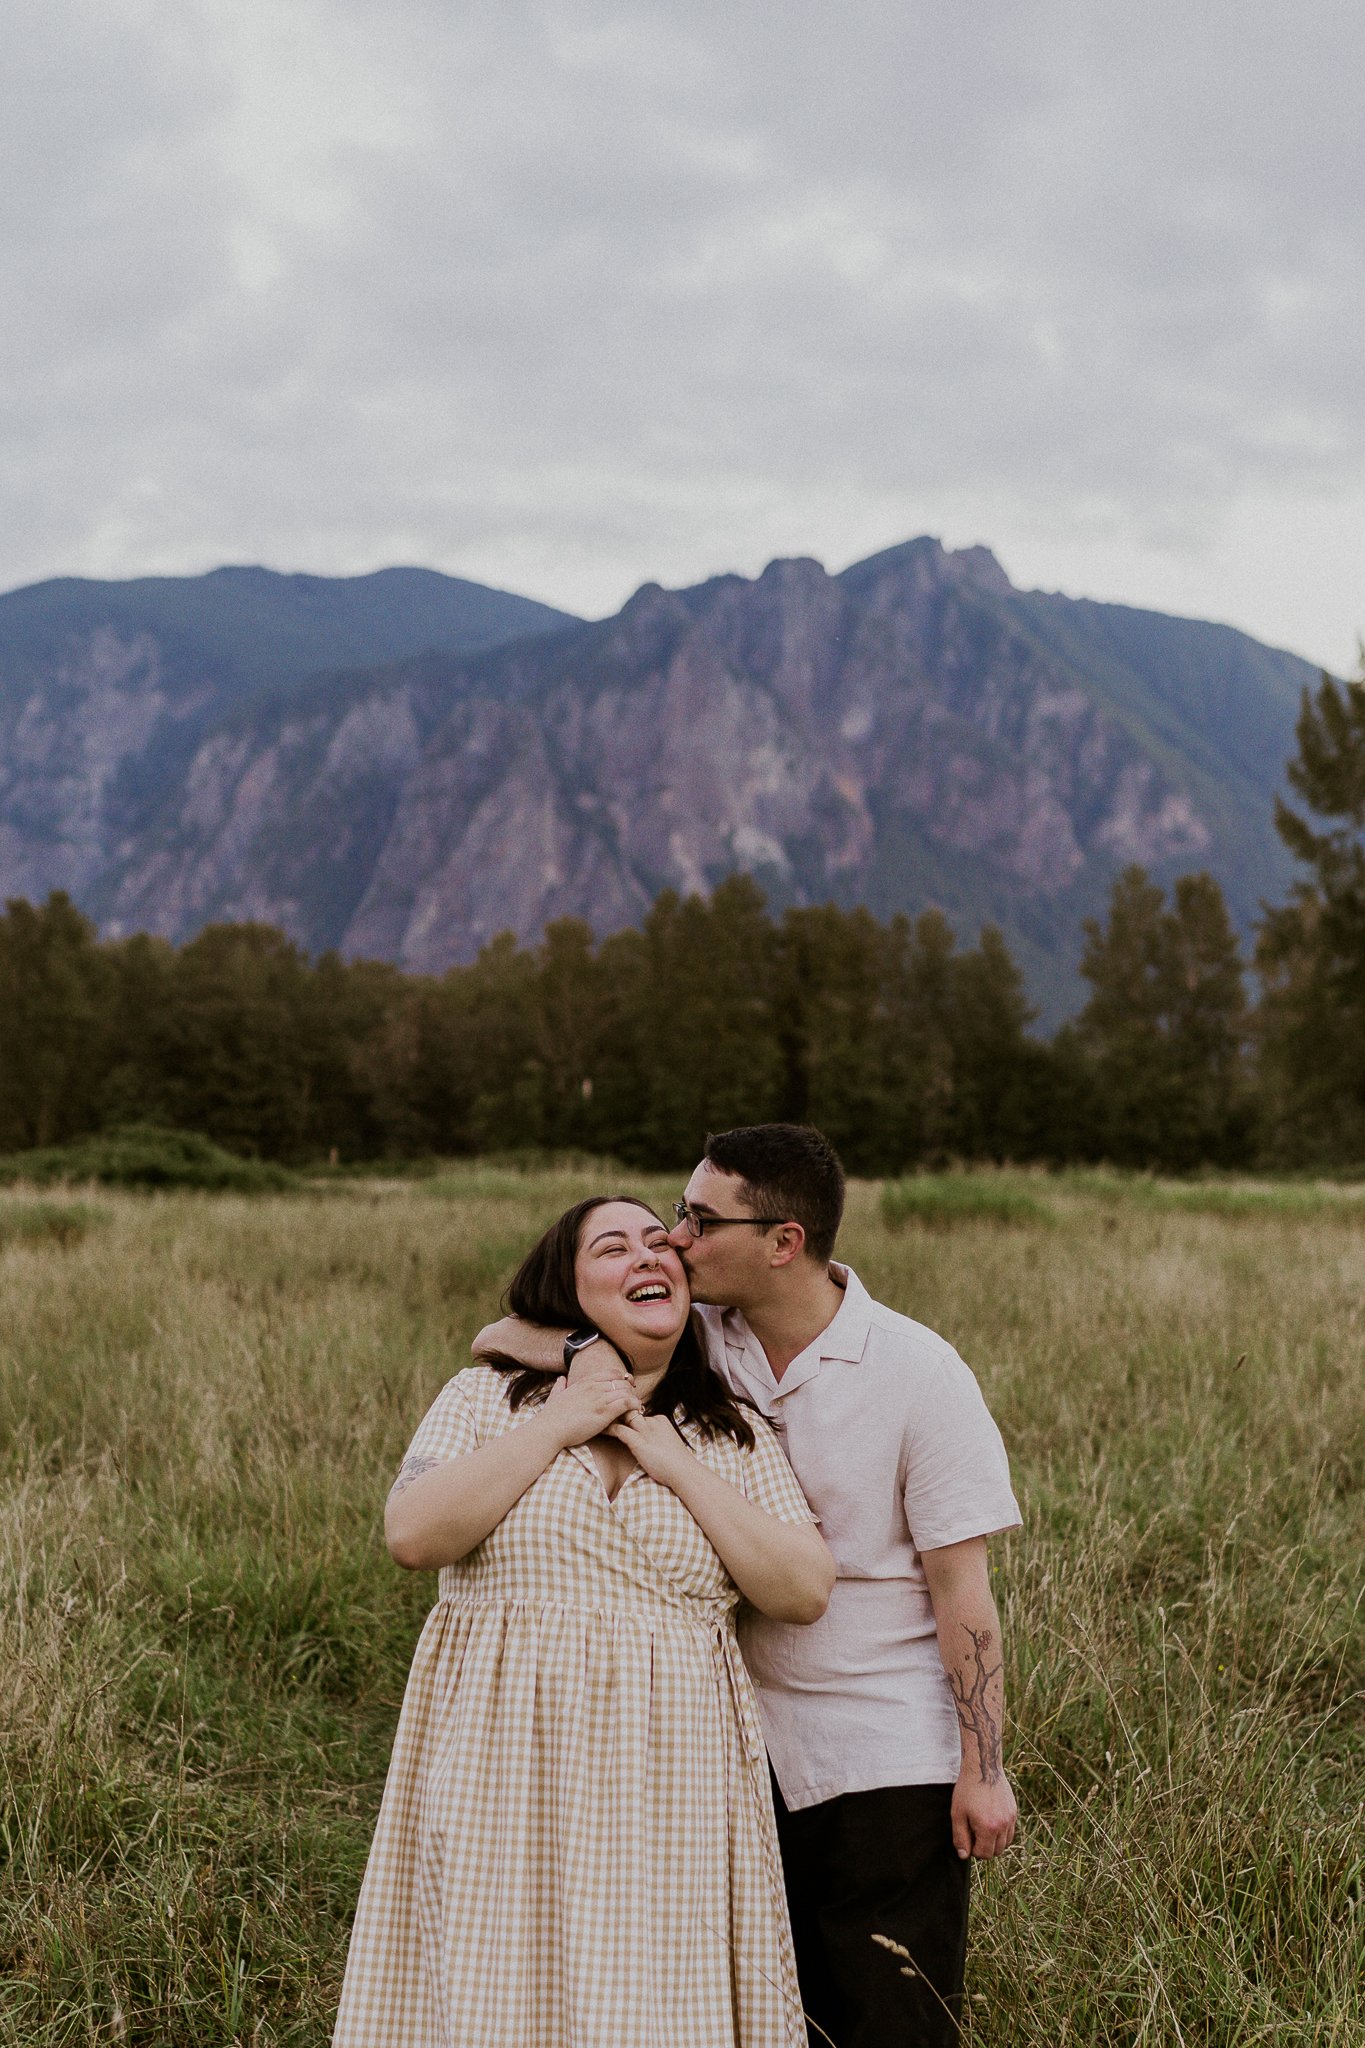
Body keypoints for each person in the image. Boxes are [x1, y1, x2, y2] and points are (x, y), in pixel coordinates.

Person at [475, 1125, 1022, 2048]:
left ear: (783, 1242)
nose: (674, 1239)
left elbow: (960, 1591)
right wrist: (592, 1361)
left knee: (889, 2020)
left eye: (697, 1219)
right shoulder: (698, 1338)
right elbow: (501, 1330)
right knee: (753, 2020)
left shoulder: (919, 1372)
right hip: (721, 1747)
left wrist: (985, 1769)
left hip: (878, 1755)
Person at [333, 1194, 835, 2048]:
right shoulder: (485, 1399)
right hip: (504, 1768)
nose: (648, 1257)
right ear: (567, 1290)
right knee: (497, 1997)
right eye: (612, 1248)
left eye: (658, 1243)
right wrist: (566, 1415)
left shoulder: (729, 1433)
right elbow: (414, 1534)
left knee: (652, 2014)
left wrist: (670, 1460)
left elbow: (800, 1588)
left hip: (669, 1785)